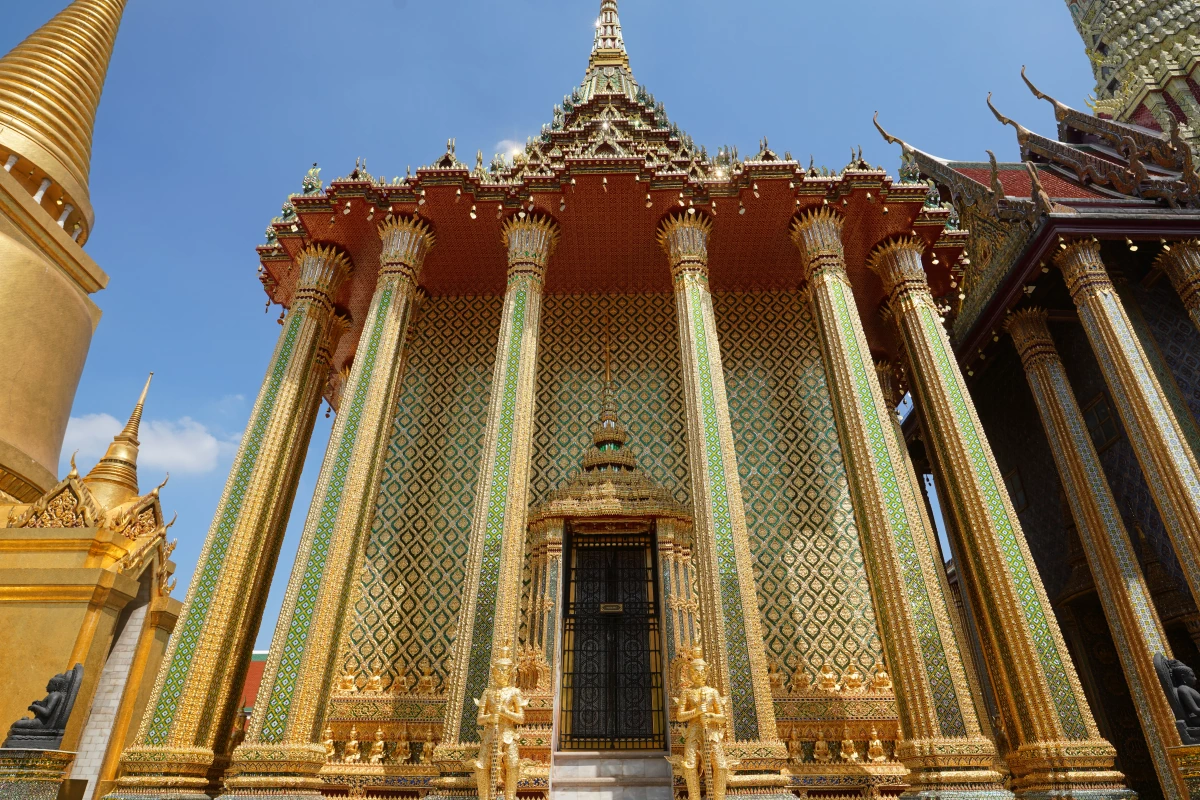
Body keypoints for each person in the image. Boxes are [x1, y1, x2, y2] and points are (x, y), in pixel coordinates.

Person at [473, 647, 527, 800]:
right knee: (480, 766)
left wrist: (504, 712)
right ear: (494, 672)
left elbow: (521, 719)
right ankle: (484, 798)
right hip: (490, 734)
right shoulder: (487, 692)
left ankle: (510, 797)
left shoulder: (514, 692)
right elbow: (480, 719)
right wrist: (491, 717)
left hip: (508, 734)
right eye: (498, 671)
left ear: (510, 672)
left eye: (504, 671)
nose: (500, 674)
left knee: (513, 765)